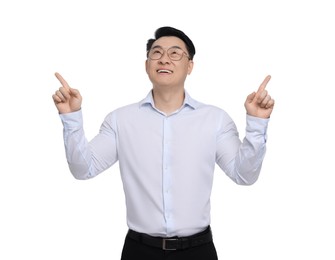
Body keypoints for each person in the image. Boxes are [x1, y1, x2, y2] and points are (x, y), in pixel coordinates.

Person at [52, 26, 274, 260]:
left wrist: (257, 124)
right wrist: (71, 119)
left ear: (190, 66)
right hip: (139, 251)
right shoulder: (121, 120)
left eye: (175, 53)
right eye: (156, 53)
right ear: (147, 65)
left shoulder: (215, 120)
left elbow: (244, 175)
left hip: (198, 251)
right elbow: (83, 169)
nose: (164, 59)